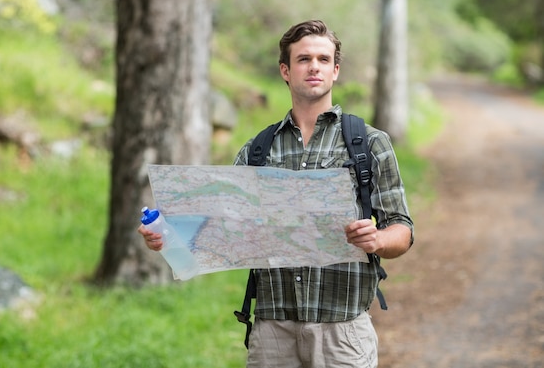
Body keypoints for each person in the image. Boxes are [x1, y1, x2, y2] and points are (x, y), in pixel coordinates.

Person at [139, 19, 414, 368]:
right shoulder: (257, 150)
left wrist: (376, 240)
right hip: (272, 334)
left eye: (323, 59)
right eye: (303, 59)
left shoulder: (369, 144)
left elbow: (402, 229)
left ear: (335, 71)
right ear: (285, 70)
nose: (314, 66)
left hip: (342, 332)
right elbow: (216, 227)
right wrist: (165, 235)